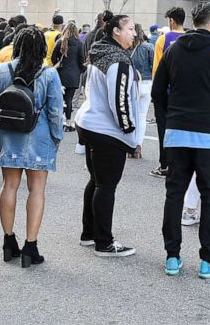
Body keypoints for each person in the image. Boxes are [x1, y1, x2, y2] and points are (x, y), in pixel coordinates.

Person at [152, 2, 210, 278]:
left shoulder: (174, 50)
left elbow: (157, 91)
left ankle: (172, 257)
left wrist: (170, 119)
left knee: (174, 194)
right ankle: (208, 259)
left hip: (177, 132)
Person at [0, 26, 61, 268]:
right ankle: (30, 246)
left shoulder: (2, 70)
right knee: (36, 190)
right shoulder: (48, 74)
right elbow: (56, 112)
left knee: (9, 186)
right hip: (39, 136)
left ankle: (8, 242)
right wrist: (56, 137)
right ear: (42, 48)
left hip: (8, 136)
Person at [75, 14, 143, 257]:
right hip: (107, 131)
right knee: (106, 186)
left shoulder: (100, 53)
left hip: (90, 123)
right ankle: (104, 242)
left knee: (96, 181)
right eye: (131, 29)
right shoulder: (118, 60)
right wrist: (130, 134)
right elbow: (121, 101)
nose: (134, 34)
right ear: (116, 31)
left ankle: (89, 233)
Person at [151, 6, 187, 179]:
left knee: (164, 128)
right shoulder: (190, 39)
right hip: (185, 93)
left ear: (171, 21)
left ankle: (165, 164)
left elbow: (157, 70)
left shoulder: (163, 39)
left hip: (167, 91)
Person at [51, 21, 85, 134]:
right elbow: (82, 60)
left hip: (61, 74)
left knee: (60, 98)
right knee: (69, 98)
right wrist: (80, 71)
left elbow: (53, 57)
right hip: (74, 74)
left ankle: (59, 120)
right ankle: (69, 121)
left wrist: (58, 65)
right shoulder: (79, 44)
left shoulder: (60, 41)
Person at [128, 23, 155, 157]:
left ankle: (130, 145)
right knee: (142, 116)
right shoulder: (149, 47)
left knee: (131, 115)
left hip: (132, 83)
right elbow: (153, 66)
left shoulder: (127, 47)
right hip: (146, 82)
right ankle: (138, 146)